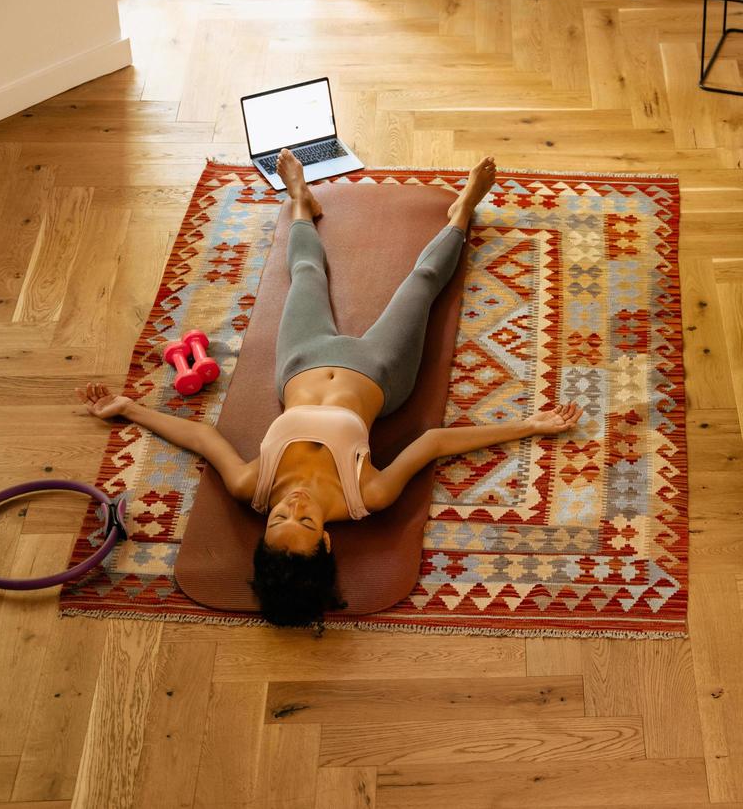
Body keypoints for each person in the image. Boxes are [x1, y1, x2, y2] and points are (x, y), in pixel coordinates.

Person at [79, 151, 581, 628]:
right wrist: (529, 426)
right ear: (325, 543)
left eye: (278, 517)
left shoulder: (249, 486)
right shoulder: (367, 496)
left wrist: (129, 408)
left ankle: (301, 201)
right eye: (301, 520)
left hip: (302, 362)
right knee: (423, 282)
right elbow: (432, 444)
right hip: (380, 371)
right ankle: (463, 210)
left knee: (304, 272)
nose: (291, 503)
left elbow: (202, 439)